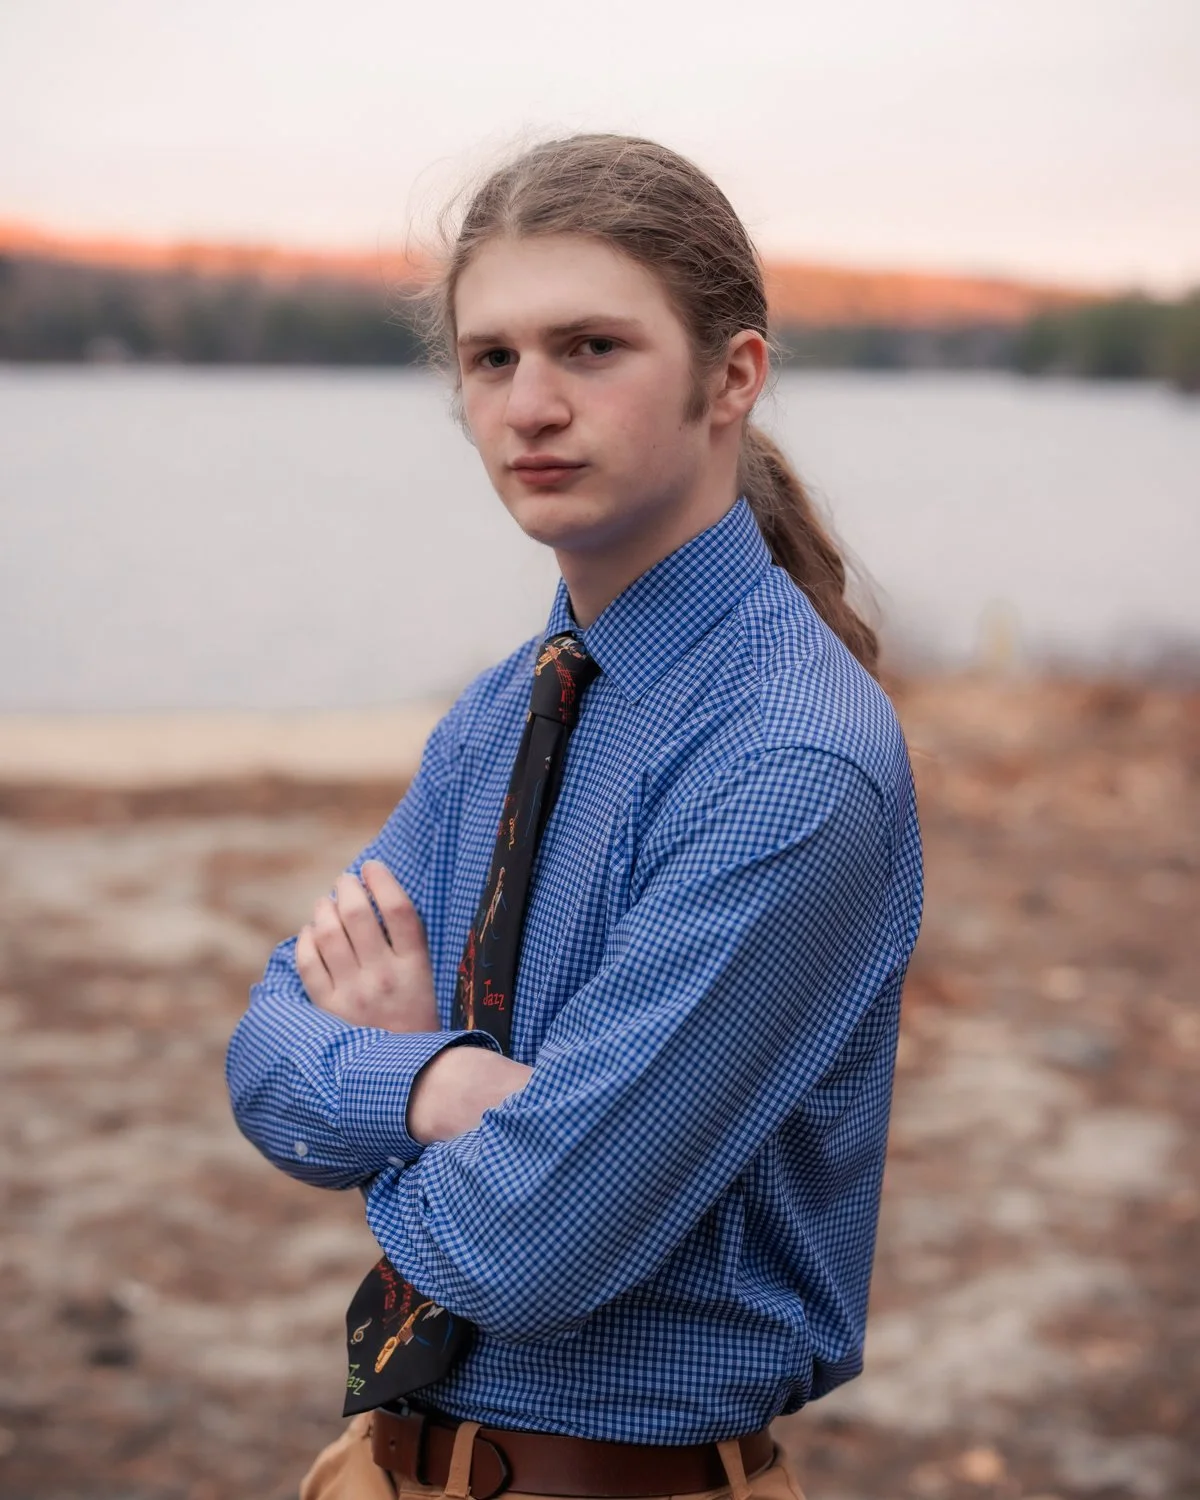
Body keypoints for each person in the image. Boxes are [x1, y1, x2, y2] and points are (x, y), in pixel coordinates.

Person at [225, 132, 924, 1500]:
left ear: (735, 375)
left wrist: (365, 1083)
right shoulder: (506, 711)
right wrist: (432, 1082)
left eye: (591, 348)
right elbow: (259, 1054)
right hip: (376, 1470)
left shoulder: (788, 765)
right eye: (492, 359)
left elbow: (525, 1247)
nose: (529, 405)